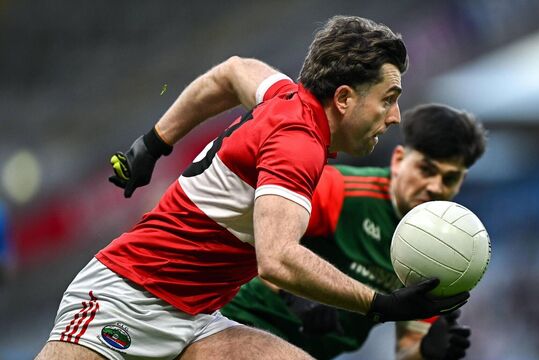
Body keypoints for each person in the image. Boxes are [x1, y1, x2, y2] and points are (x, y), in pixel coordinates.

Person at [36, 16, 468, 360]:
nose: (394, 117)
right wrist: (379, 304)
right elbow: (277, 260)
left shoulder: (283, 95)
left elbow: (232, 72)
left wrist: (152, 143)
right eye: (388, 98)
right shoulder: (299, 146)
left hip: (197, 319)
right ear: (343, 99)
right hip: (128, 297)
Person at [220, 103, 487, 360]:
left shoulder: (442, 250)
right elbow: (252, 231)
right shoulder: (341, 192)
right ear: (398, 160)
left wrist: (429, 351)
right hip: (241, 323)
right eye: (426, 170)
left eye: (449, 178)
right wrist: (294, 294)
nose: (435, 187)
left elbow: (407, 349)